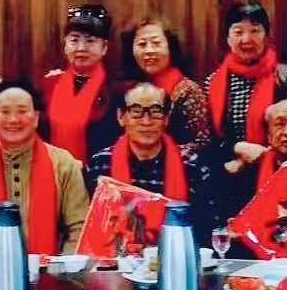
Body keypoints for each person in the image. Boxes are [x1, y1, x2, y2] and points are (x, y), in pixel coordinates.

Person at [0, 80, 90, 255]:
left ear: (36, 118)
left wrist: (59, 268)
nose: (13, 120)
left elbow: (79, 228)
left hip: (52, 267)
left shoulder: (63, 163)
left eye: (22, 111)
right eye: (5, 112)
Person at [84, 83, 220, 239]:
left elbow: (209, 226)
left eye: (155, 112)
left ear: (166, 118)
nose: (146, 121)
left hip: (176, 249)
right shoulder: (100, 164)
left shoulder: (191, 165)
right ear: (121, 117)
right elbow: (91, 227)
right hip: (117, 251)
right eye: (136, 112)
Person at [204, 2, 287, 163]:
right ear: (228, 39)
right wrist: (236, 149)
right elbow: (208, 138)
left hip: (278, 166)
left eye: (255, 31)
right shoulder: (212, 83)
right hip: (227, 169)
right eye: (238, 32)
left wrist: (264, 156)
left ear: (266, 36)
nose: (246, 39)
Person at [118, 18, 212, 151]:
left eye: (156, 43)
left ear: (170, 47)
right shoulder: (126, 90)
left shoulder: (187, 91)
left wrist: (158, 155)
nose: (149, 50)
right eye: (142, 44)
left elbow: (203, 142)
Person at [41, 5, 118, 163]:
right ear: (65, 44)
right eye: (74, 40)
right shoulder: (50, 84)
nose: (81, 48)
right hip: (54, 171)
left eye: (90, 41)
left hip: (99, 171)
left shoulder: (117, 90)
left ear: (104, 47)